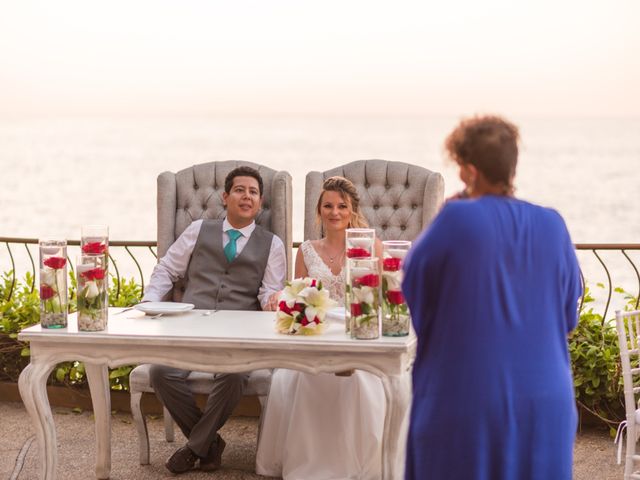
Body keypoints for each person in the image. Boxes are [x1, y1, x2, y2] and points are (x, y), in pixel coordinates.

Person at [402, 115, 582, 480]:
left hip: (468, 395)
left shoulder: (454, 219)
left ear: (468, 171)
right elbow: (568, 315)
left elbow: (414, 292)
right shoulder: (553, 223)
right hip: (545, 399)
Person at [142, 166, 286, 474]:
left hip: (240, 334)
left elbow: (269, 292)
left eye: (253, 192)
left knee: (234, 376)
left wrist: (273, 302)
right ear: (226, 197)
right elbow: (167, 268)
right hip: (190, 327)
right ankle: (209, 443)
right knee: (160, 372)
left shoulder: (272, 245)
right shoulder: (198, 230)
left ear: (259, 202)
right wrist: (149, 303)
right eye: (239, 190)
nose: (246, 196)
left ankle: (195, 447)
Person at [255, 176, 385, 480]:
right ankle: (311, 460)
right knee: (305, 378)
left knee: (361, 380)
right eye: (328, 205)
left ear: (352, 210)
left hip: (358, 331)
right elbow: (299, 298)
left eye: (342, 206)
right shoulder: (307, 251)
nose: (334, 212)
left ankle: (359, 461)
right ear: (319, 210)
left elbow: (379, 297)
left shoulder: (371, 246)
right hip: (318, 334)